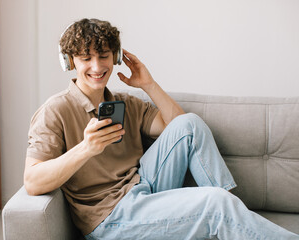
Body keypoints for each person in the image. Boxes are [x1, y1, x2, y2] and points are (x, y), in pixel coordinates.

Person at [23, 18, 299, 240]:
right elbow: (32, 182)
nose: (97, 67)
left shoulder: (125, 103)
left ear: (116, 56)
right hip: (110, 218)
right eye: (86, 58)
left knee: (189, 124)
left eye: (104, 56)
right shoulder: (55, 110)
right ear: (70, 61)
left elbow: (177, 126)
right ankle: (230, 217)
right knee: (215, 203)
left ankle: (232, 219)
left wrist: (148, 84)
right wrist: (85, 149)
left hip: (143, 187)